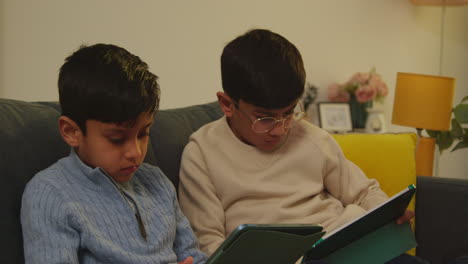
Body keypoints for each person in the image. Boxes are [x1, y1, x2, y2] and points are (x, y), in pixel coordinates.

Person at [178, 29, 423, 263]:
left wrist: (387, 212)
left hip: (345, 245)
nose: (280, 129)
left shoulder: (311, 137)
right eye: (264, 118)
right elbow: (208, 245)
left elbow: (363, 192)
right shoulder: (201, 153)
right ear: (227, 104)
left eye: (288, 113)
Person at [21, 44, 207, 264]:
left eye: (143, 133)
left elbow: (193, 256)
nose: (135, 152)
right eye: (117, 139)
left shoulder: (156, 182)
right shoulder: (50, 194)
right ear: (71, 132)